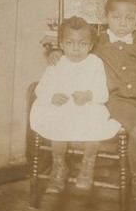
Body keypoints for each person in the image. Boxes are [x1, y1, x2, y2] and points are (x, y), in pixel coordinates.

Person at [49, 0, 136, 211]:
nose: (123, 23)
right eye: (117, 17)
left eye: (130, 18)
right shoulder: (98, 41)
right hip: (116, 100)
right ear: (106, 17)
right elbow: (78, 51)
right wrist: (58, 53)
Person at [30, 16, 121, 194]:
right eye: (70, 43)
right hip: (64, 108)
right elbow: (41, 89)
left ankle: (87, 166)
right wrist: (52, 96)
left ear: (91, 45)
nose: (76, 48)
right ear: (62, 44)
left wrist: (88, 95)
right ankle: (59, 166)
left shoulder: (95, 63)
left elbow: (102, 93)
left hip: (87, 107)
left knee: (95, 121)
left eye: (82, 43)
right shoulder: (57, 62)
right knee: (57, 122)